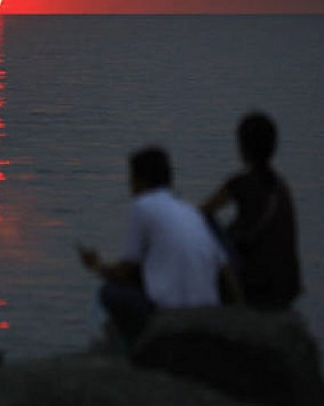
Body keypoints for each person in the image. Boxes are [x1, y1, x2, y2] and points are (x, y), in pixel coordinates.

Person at [79, 146, 240, 348]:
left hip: (171, 315)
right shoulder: (190, 212)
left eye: (131, 178)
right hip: (207, 311)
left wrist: (97, 266)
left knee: (108, 292)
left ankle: (139, 345)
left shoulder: (143, 206)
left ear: (141, 180)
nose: (129, 185)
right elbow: (225, 271)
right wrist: (239, 315)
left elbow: (126, 272)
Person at [200, 112, 302, 310]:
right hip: (287, 286)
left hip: (256, 283)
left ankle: (229, 297)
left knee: (206, 223)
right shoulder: (281, 186)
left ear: (242, 147)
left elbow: (203, 212)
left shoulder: (241, 183)